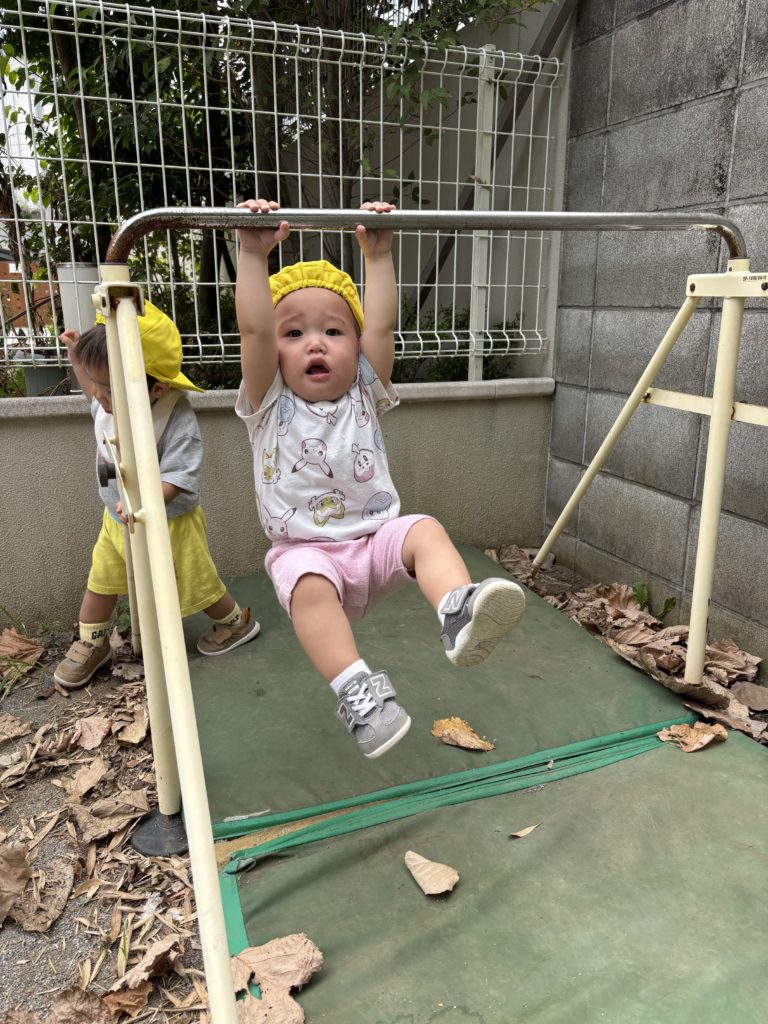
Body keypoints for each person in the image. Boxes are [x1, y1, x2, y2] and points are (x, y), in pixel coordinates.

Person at [235, 198, 525, 758]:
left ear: (356, 345)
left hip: (374, 542)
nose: (315, 343)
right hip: (307, 552)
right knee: (307, 586)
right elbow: (252, 330)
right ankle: (359, 693)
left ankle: (457, 611)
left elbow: (384, 325)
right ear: (275, 350)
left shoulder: (365, 390)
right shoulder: (268, 400)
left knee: (424, 529)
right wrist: (251, 254)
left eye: (334, 331)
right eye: (293, 333)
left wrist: (379, 256)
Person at [54, 301, 261, 689]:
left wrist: (147, 502)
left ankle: (235, 623)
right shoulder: (107, 401)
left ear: (156, 388)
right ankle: (93, 642)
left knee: (195, 581)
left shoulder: (175, 417)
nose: (96, 395)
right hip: (116, 518)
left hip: (170, 522)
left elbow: (180, 478)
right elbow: (92, 389)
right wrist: (77, 358)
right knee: (101, 580)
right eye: (93, 382)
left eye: (105, 387)